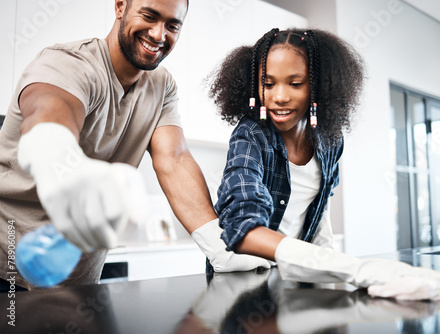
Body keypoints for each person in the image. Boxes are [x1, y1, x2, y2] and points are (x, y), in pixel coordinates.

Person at [0, 0, 269, 291]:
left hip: (78, 283)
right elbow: (49, 110)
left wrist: (219, 244)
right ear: (120, 7)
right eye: (149, 16)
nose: (158, 34)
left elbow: (175, 160)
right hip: (8, 270)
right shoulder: (68, 62)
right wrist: (62, 159)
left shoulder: (162, 85)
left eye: (172, 25)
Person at [207, 27, 440, 300]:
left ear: (318, 86)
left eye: (295, 83)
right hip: (241, 277)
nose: (279, 96)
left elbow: (319, 213)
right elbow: (241, 228)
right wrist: (356, 269)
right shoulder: (251, 135)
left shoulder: (329, 141)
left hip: (293, 271)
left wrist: (338, 276)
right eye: (268, 84)